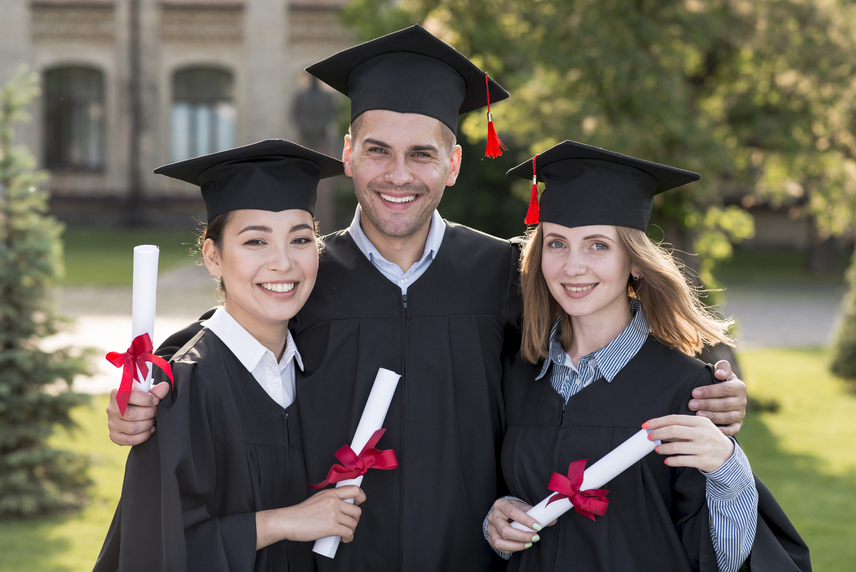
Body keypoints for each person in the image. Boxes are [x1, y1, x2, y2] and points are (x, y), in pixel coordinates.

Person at [104, 26, 749, 571]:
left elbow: (605, 334)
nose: (399, 175)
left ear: (454, 163)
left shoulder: (506, 272)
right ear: (350, 154)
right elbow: (221, 339)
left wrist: (717, 380)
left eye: (422, 154)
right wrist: (144, 397)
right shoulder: (305, 271)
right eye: (378, 150)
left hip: (478, 558)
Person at [485, 140, 810, 571]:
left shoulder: (686, 391)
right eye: (557, 243)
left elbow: (724, 559)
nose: (572, 266)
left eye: (598, 245)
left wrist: (727, 468)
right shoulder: (518, 374)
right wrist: (500, 518)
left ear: (634, 263)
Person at [94, 140, 366, 572]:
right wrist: (286, 522)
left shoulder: (318, 365)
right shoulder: (181, 385)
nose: (283, 263)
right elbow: (159, 549)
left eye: (300, 239)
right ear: (213, 256)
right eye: (256, 241)